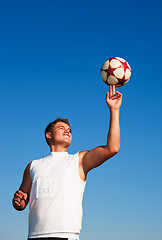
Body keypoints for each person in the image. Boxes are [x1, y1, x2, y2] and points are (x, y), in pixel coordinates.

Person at [12, 85, 122, 240]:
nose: (67, 131)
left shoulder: (79, 160)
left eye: (69, 130)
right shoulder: (33, 166)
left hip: (66, 235)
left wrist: (114, 110)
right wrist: (18, 202)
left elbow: (112, 148)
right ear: (48, 135)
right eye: (62, 128)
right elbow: (20, 202)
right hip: (34, 236)